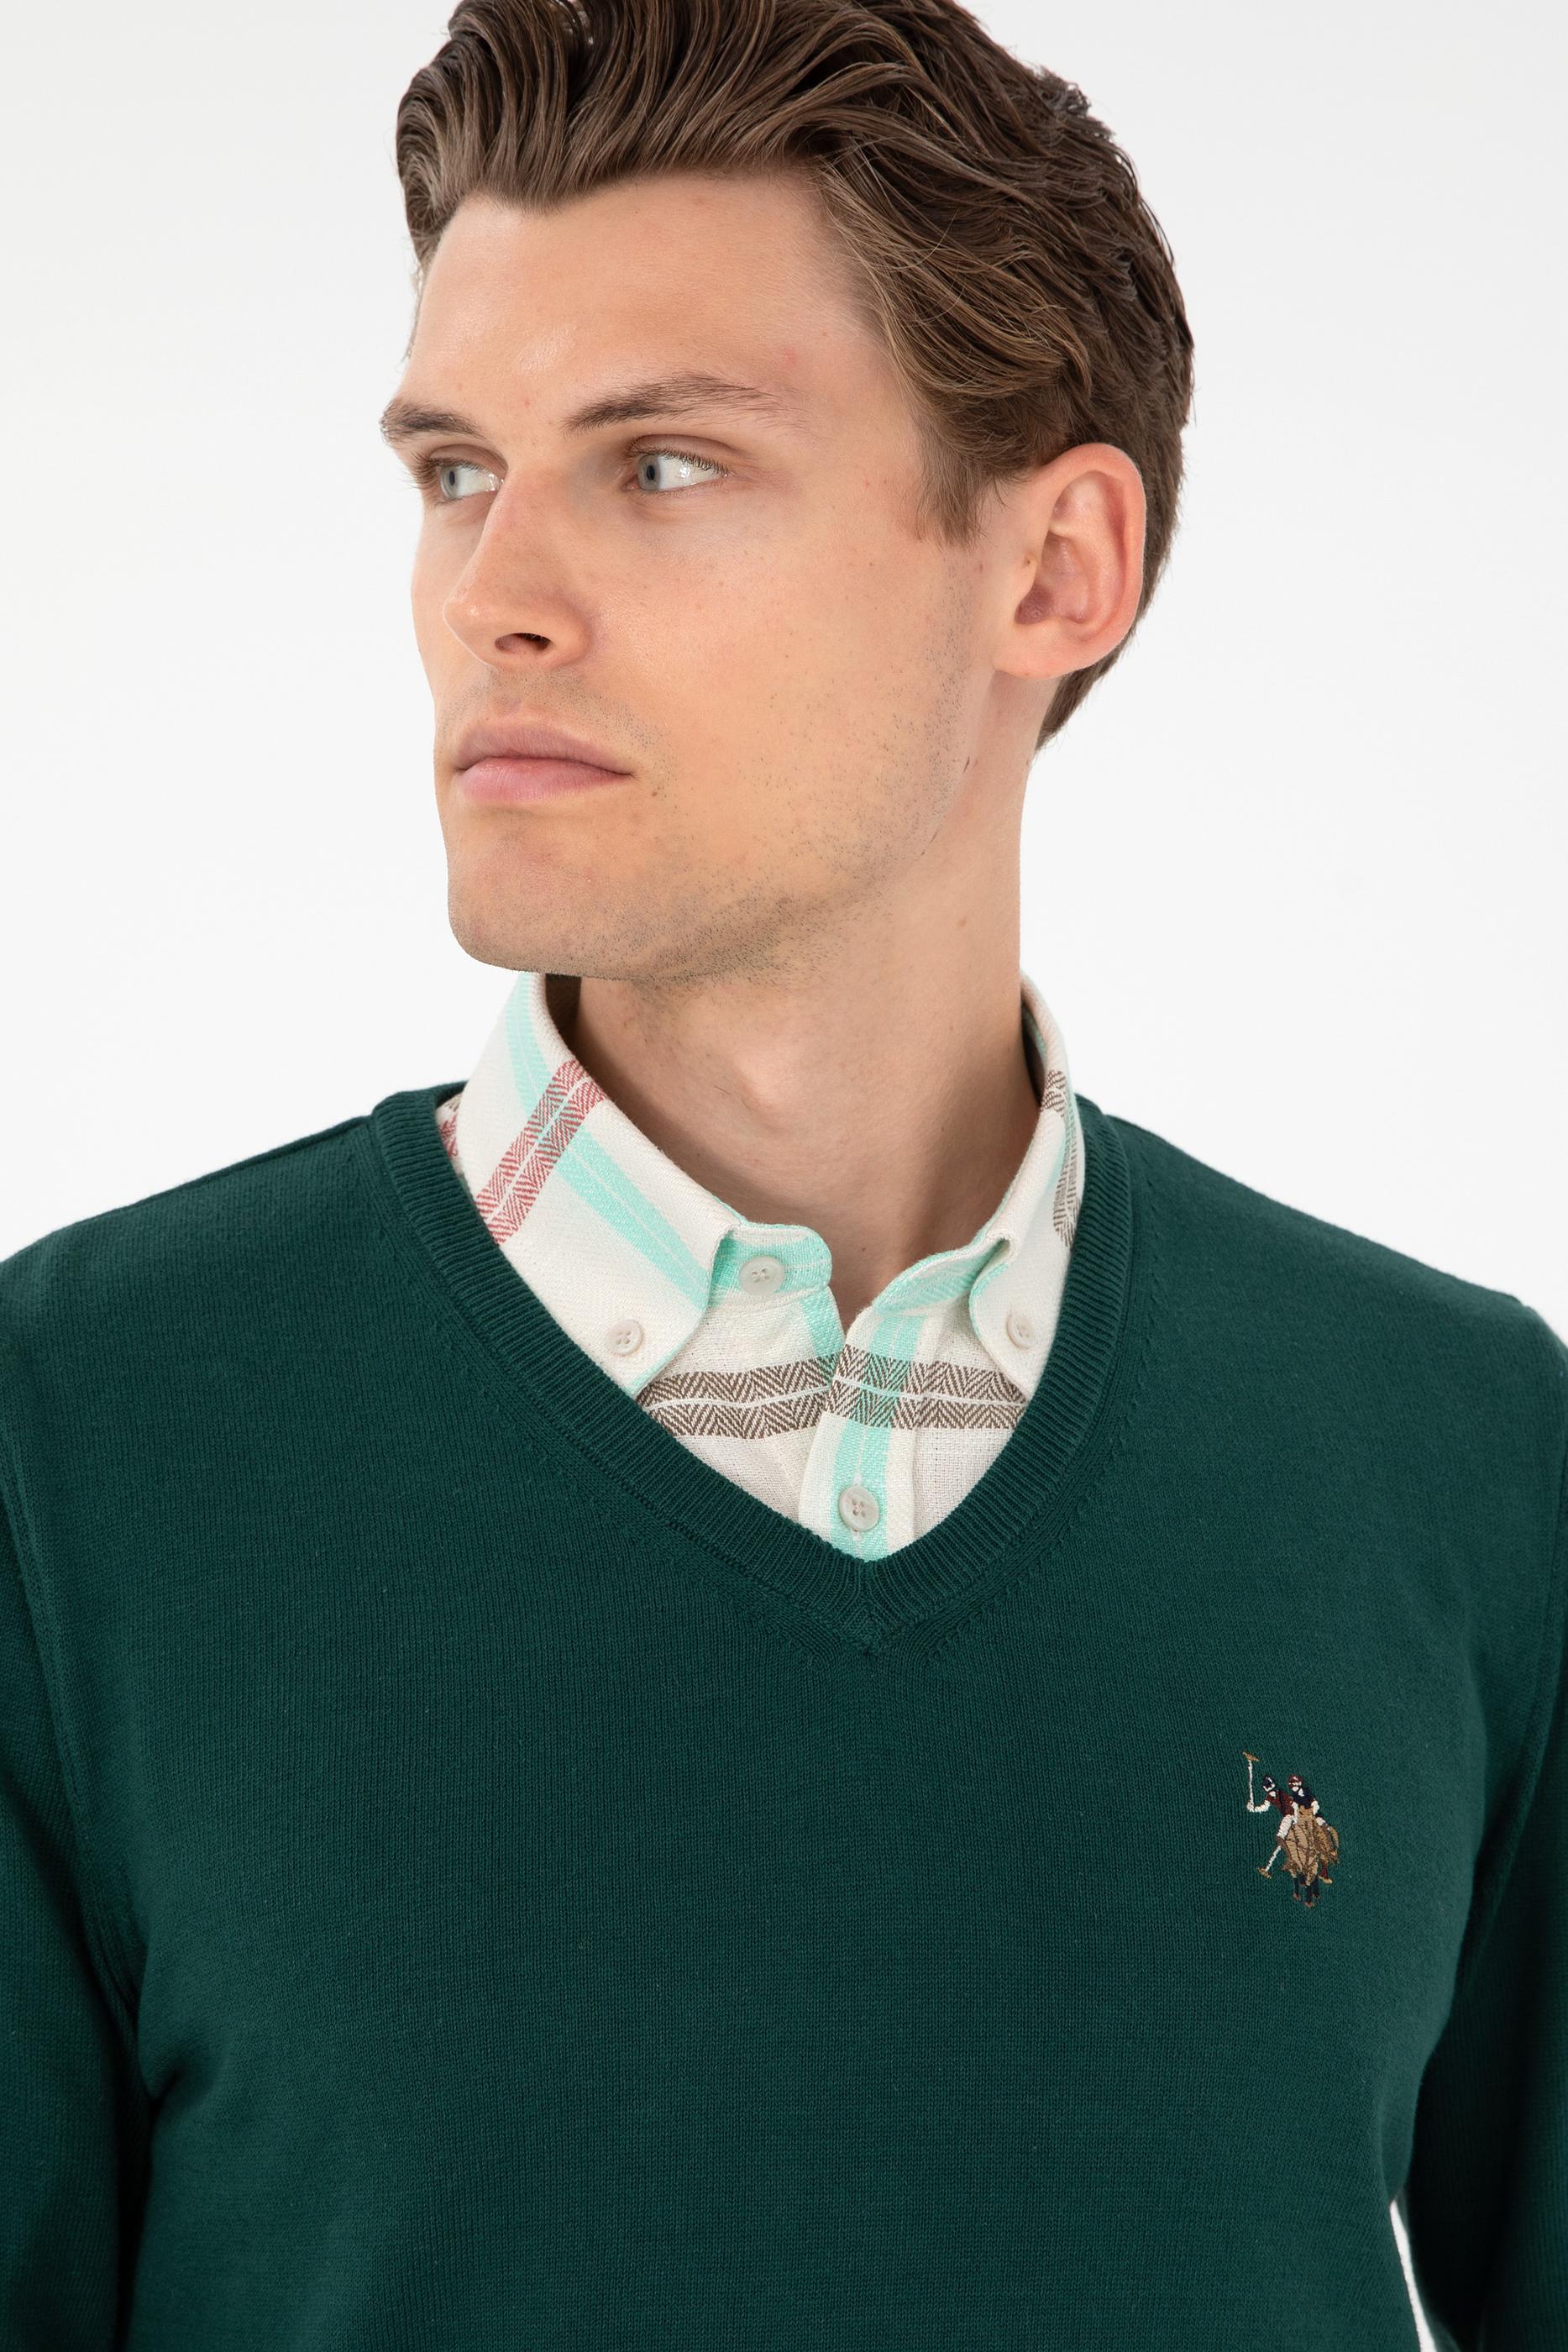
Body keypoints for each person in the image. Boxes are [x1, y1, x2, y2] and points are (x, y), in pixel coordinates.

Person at [1, 3, 1562, 2345]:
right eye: (455, 469)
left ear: (1054, 567)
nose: (494, 591)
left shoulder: (1454, 1458)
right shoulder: (72, 1451)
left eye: (660, 465)